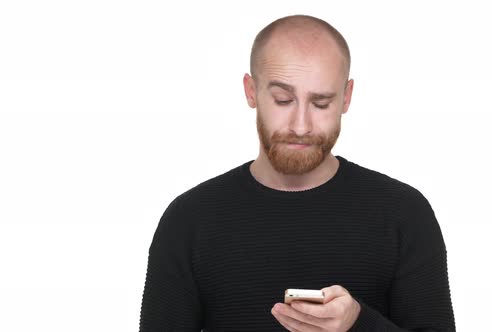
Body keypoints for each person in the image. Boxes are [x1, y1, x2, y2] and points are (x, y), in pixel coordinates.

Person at [139, 14, 455, 332]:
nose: (300, 126)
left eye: (321, 103)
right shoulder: (190, 219)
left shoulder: (403, 213)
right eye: (283, 100)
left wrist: (358, 323)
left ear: (346, 97)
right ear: (251, 91)